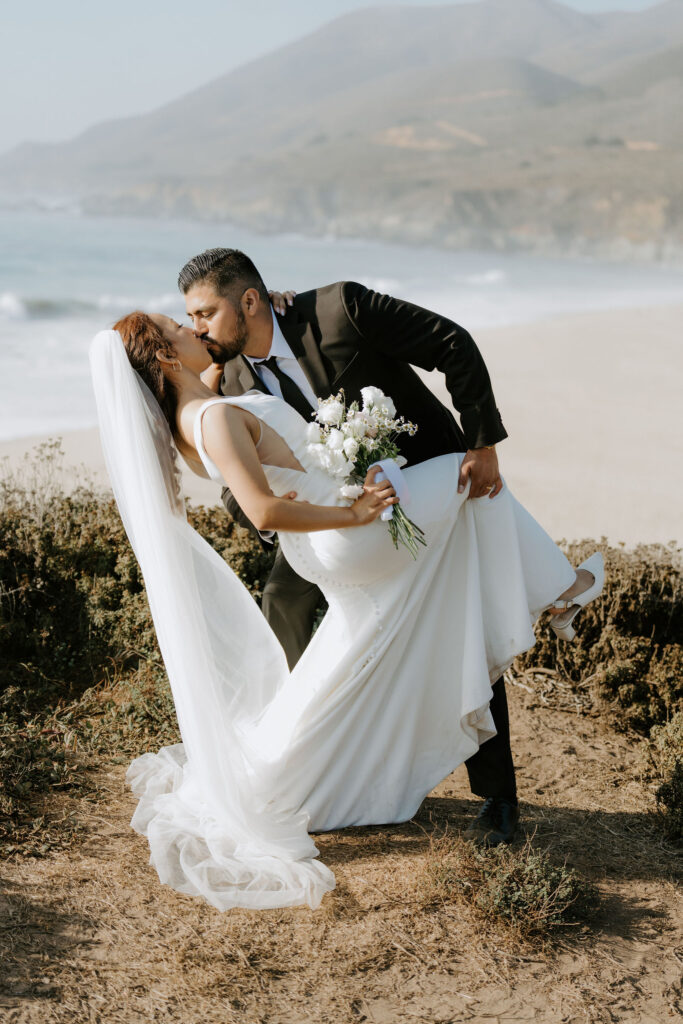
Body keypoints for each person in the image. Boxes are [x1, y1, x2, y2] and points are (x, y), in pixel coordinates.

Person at [89, 304, 603, 912]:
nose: (193, 327)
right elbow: (262, 511)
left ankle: (296, 770)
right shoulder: (214, 417)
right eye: (180, 328)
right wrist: (354, 511)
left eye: (199, 315)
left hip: (325, 540)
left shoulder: (192, 412)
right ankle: (563, 590)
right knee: (471, 475)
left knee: (384, 625)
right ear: (168, 358)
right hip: (345, 533)